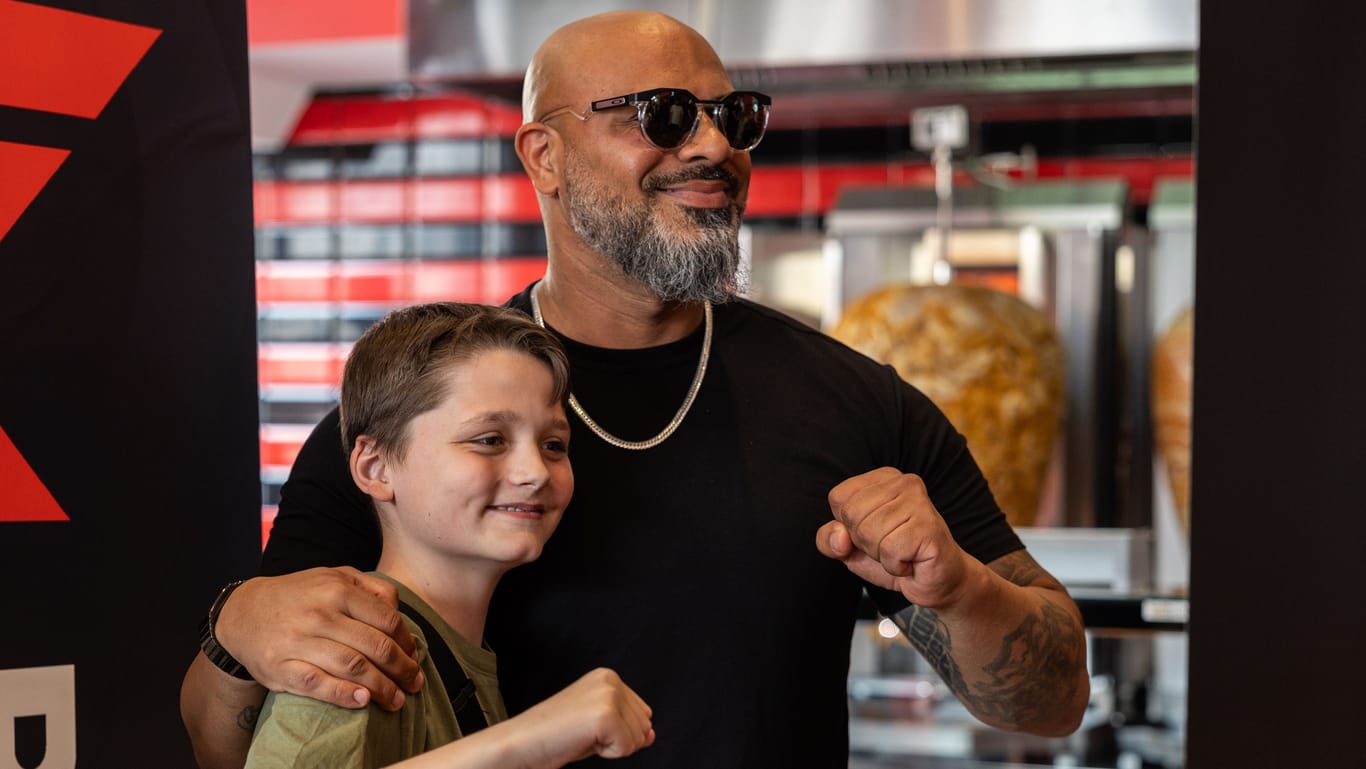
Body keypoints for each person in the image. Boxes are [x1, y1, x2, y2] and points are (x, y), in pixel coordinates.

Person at [181, 10, 1090, 769]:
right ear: (544, 154)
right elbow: (228, 740)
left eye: (733, 116)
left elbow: (1054, 701)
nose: (713, 147)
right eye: (662, 116)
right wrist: (238, 629)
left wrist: (961, 590)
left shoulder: (855, 403)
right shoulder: (418, 416)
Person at [241, 302, 654, 768]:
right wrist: (535, 739)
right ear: (375, 468)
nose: (535, 471)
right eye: (489, 439)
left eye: (553, 445)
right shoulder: (351, 654)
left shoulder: (466, 659)